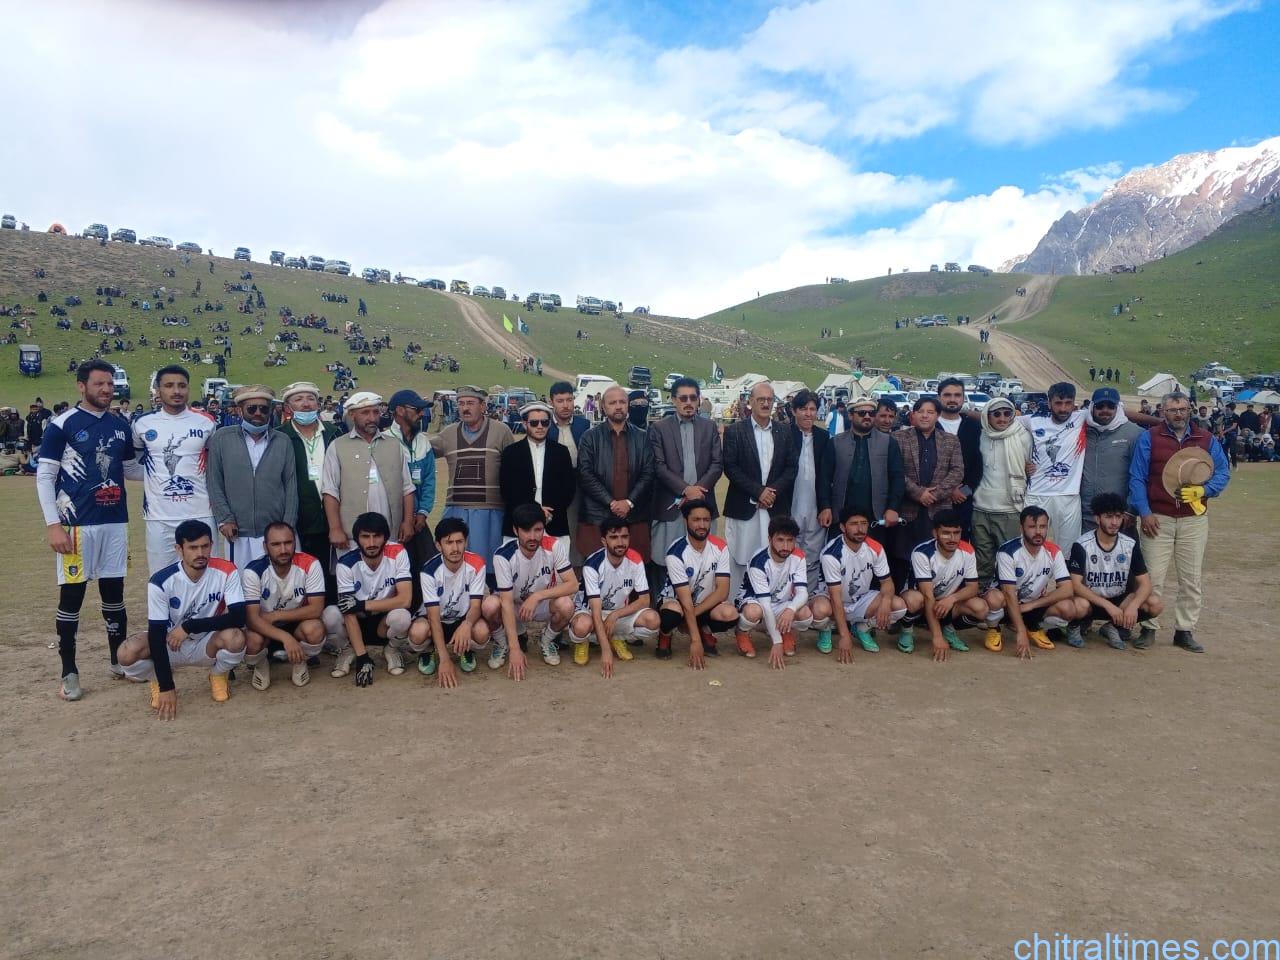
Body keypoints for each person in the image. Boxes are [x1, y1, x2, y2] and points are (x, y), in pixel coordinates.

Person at [36, 359, 134, 701]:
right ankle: (69, 672)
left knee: (114, 596)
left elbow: (131, 469)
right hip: (75, 525)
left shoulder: (121, 425)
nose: (106, 389)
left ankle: (119, 661)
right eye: (99, 384)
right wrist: (53, 525)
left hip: (115, 523)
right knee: (72, 598)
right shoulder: (61, 425)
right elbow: (45, 476)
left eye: (110, 384)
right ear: (82, 386)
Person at [1127, 391, 1230, 652]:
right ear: (1163, 412)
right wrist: (1144, 512)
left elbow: (1222, 472)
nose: (1178, 414)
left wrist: (1205, 490)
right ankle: (1148, 627)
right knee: (1152, 577)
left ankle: (1184, 630)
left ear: (1190, 410)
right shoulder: (1149, 438)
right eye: (1173, 410)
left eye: (1183, 409)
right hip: (1157, 518)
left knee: (1191, 578)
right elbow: (1137, 477)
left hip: (1193, 519)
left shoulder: (1206, 439)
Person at [116, 520, 246, 719]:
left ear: (212, 545)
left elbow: (239, 616)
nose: (200, 553)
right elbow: (157, 635)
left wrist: (189, 626)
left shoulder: (227, 571)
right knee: (126, 652)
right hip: (171, 643)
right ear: (179, 549)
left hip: (206, 642)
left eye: (205, 546)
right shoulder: (160, 581)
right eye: (193, 547)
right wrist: (167, 686)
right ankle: (156, 679)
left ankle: (218, 674)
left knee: (236, 637)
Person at [130, 364, 217, 573]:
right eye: (169, 386)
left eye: (182, 386)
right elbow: (136, 461)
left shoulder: (206, 422)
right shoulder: (142, 424)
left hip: (200, 512)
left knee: (207, 576)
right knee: (162, 576)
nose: (176, 391)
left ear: (188, 388)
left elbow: (214, 462)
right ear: (158, 390)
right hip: (159, 517)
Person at [481, 502, 578, 680]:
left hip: (540, 604)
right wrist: (515, 649)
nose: (532, 537)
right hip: (514, 605)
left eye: (538, 530)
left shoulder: (554, 546)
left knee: (566, 605)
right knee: (489, 606)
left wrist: (538, 596)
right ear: (515, 530)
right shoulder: (503, 555)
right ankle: (502, 644)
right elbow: (506, 603)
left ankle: (546, 640)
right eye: (526, 531)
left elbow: (573, 584)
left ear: (543, 528)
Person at [206, 385, 297, 569]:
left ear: (271, 411)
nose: (258, 413)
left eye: (264, 409)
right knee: (242, 583)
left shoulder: (282, 441)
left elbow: (291, 486)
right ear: (240, 410)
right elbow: (214, 482)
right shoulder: (222, 438)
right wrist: (225, 518)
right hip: (238, 532)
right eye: (252, 408)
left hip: (275, 533)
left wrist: (287, 526)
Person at [322, 512, 415, 686]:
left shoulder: (398, 552)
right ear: (357, 539)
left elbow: (405, 600)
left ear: (385, 537)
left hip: (383, 620)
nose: (371, 543)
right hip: (356, 620)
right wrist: (362, 657)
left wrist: (362, 604)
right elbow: (348, 611)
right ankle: (347, 651)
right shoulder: (345, 563)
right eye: (365, 537)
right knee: (330, 614)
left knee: (403, 616)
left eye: (377, 536)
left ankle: (392, 649)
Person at [648, 376, 722, 591]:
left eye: (693, 398)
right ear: (673, 400)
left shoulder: (709, 427)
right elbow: (658, 466)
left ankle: (699, 607)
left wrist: (696, 491)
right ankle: (664, 606)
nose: (688, 402)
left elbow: (717, 464)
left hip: (703, 504)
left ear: (699, 400)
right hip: (671, 507)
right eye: (683, 398)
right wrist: (685, 489)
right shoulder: (659, 428)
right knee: (666, 560)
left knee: (702, 563)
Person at [722, 381, 797, 590]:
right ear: (751, 402)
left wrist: (772, 493)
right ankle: (737, 603)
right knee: (740, 561)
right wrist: (759, 491)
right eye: (761, 399)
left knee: (771, 560)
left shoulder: (784, 431)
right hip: (744, 507)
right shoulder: (735, 431)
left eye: (769, 400)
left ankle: (768, 602)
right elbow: (730, 467)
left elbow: (792, 467)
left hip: (775, 507)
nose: (765, 403)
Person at [899, 509, 1002, 660]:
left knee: (981, 608)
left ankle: (948, 628)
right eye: (946, 533)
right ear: (935, 533)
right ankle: (907, 630)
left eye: (956, 533)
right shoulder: (922, 553)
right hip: (921, 605)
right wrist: (937, 637)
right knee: (914, 599)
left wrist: (951, 599)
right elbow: (927, 596)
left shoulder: (967, 551)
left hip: (946, 604)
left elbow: (973, 587)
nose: (952, 538)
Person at [322, 391, 416, 556]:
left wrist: (408, 522)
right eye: (365, 413)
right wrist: (335, 528)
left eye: (375, 412)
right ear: (352, 415)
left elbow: (407, 488)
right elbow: (330, 492)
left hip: (390, 534)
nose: (372, 418)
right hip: (351, 538)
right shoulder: (337, 447)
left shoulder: (394, 445)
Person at [430, 385, 514, 567]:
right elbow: (423, 451)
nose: (465, 408)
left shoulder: (501, 431)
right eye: (461, 404)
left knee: (489, 565)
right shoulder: (448, 433)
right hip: (456, 509)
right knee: (454, 564)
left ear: (483, 406)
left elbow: (515, 468)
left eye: (470, 403)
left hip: (491, 512)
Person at [1066, 493, 1163, 650]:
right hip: (1091, 601)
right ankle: (1075, 625)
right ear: (1097, 519)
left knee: (1155, 604)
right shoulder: (1082, 545)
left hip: (1119, 601)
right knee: (1079, 605)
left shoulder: (1130, 545)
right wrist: (1106, 605)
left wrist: (1133, 606)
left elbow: (1145, 583)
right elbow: (1075, 585)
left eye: (1118, 517)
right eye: (1109, 517)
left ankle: (1113, 627)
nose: (1114, 522)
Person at [566, 516, 660, 676]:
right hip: (590, 613)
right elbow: (596, 610)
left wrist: (615, 615)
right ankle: (583, 641)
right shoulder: (592, 564)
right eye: (614, 537)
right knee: (581, 626)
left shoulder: (636, 560)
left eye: (624, 536)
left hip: (618, 613)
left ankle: (617, 637)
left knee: (653, 620)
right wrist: (606, 651)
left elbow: (645, 600)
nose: (620, 542)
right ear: (604, 541)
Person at [809, 505, 906, 660]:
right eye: (854, 524)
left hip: (861, 599)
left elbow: (887, 582)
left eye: (864, 523)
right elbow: (835, 596)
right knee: (819, 609)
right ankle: (826, 628)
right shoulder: (831, 554)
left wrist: (886, 601)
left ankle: (862, 628)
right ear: (842, 527)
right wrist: (844, 636)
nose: (860, 529)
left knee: (898, 606)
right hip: (831, 601)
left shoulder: (876, 548)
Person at [240, 521, 327, 689]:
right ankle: (261, 664)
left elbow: (317, 609)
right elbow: (251, 619)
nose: (283, 550)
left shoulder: (310, 563)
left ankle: (300, 660)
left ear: (295, 542)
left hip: (296, 624)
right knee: (251, 640)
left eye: (288, 543)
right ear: (265, 547)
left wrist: (276, 615)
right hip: (265, 628)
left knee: (315, 630)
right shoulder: (253, 571)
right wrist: (285, 637)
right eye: (276, 544)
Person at [407, 518, 490, 687]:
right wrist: (444, 659)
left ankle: (465, 649)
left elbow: (476, 606)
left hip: (462, 618)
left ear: (466, 542)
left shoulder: (477, 563)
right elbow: (433, 617)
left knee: (482, 632)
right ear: (438, 546)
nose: (455, 548)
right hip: (436, 621)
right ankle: (429, 650)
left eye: (459, 542)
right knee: (417, 632)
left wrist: (467, 624)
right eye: (449, 542)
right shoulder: (429, 571)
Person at [993, 506, 1084, 658]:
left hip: (1031, 605)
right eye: (1032, 527)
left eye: (1042, 526)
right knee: (994, 598)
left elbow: (1067, 589)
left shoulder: (1054, 551)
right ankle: (994, 628)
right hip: (1007, 606)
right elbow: (1008, 593)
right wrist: (1021, 632)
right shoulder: (1007, 551)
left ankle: (1033, 627)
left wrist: (1032, 605)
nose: (1038, 532)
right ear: (1021, 528)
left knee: (1069, 608)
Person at [656, 498, 738, 667]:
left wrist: (689, 618)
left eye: (706, 520)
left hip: (702, 604)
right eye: (696, 520)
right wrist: (695, 641)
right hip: (677, 603)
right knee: (671, 615)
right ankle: (665, 634)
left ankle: (704, 629)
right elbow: (685, 601)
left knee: (730, 614)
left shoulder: (721, 547)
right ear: (685, 521)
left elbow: (722, 591)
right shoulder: (675, 553)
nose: (702, 525)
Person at [577, 385, 655, 560]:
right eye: (612, 403)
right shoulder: (590, 437)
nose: (618, 406)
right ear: (603, 407)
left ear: (628, 405)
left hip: (634, 515)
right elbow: (585, 474)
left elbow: (648, 473)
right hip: (597, 516)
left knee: (634, 567)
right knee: (597, 568)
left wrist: (629, 502)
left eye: (622, 402)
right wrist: (611, 503)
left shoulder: (642, 437)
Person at [277, 381, 341, 596]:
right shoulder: (280, 436)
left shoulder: (333, 433)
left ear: (318, 404)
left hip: (334, 517)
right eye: (299, 399)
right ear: (288, 407)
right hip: (299, 518)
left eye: (311, 399)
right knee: (303, 574)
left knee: (334, 574)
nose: (306, 404)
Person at [892, 397, 964, 589]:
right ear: (913, 415)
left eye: (930, 412)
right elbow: (895, 471)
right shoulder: (898, 438)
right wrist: (918, 493)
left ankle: (928, 598)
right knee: (902, 559)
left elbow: (957, 472)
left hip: (938, 509)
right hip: (907, 509)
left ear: (937, 416)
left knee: (932, 558)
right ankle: (901, 599)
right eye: (921, 411)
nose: (925, 416)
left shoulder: (950, 440)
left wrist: (934, 494)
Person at [817, 396, 904, 545]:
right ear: (851, 415)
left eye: (871, 413)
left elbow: (897, 478)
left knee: (875, 555)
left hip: (877, 515)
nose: (867, 416)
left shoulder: (889, 442)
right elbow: (824, 478)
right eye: (862, 413)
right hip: (842, 514)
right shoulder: (836, 442)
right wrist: (825, 507)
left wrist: (893, 508)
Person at [733, 515, 814, 667]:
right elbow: (765, 605)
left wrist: (790, 609)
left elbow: (803, 593)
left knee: (805, 615)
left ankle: (785, 630)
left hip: (781, 603)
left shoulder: (798, 556)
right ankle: (742, 632)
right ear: (770, 539)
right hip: (756, 602)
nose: (786, 546)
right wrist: (776, 642)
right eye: (780, 540)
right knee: (753, 612)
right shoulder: (759, 561)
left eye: (790, 540)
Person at [1019, 381, 1089, 549]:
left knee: (1068, 550)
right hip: (1037, 493)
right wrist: (1022, 463)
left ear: (1074, 403)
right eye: (1058, 403)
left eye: (1068, 403)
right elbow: (998, 422)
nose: (1063, 408)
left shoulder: (1081, 418)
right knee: (1029, 546)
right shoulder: (1033, 420)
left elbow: (1120, 415)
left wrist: (1153, 420)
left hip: (1068, 495)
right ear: (1049, 403)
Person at [971, 398, 1033, 585]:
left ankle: (1009, 598)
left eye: (1007, 413)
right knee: (982, 561)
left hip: (1010, 509)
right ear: (987, 416)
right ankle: (981, 595)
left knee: (1010, 560)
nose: (1002, 418)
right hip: (980, 508)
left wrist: (1030, 469)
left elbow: (1032, 466)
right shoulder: (980, 435)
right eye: (996, 414)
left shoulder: (1023, 436)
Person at [384, 388, 437, 603]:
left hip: (419, 520)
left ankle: (425, 610)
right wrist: (404, 518)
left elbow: (429, 480)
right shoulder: (384, 441)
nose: (421, 414)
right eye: (417, 409)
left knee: (429, 564)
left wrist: (423, 512)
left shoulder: (423, 441)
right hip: (393, 520)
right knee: (397, 568)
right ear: (399, 411)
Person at [499, 401, 575, 545]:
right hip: (519, 525)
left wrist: (549, 512)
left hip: (555, 524)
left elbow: (568, 489)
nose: (540, 427)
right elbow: (507, 490)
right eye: (534, 423)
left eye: (544, 422)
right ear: (524, 424)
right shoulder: (511, 453)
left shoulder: (561, 452)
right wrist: (535, 510)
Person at [1079, 387, 1144, 531]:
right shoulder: (1080, 430)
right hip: (1085, 516)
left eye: (1110, 406)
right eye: (1100, 406)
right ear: (1092, 407)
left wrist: (1130, 510)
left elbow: (1140, 475)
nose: (1105, 410)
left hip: (1119, 516)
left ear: (1118, 408)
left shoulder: (1134, 434)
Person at [786, 389, 830, 593]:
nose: (808, 414)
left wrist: (825, 506)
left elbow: (826, 475)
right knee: (789, 547)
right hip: (791, 501)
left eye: (812, 409)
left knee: (812, 551)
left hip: (815, 503)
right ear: (794, 411)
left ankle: (809, 595)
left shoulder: (823, 436)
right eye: (804, 409)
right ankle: (787, 596)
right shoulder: (785, 434)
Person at [547, 380, 592, 563]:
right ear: (551, 402)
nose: (566, 405)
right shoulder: (544, 426)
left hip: (581, 485)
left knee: (576, 530)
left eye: (569, 400)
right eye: (560, 401)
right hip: (552, 488)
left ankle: (577, 570)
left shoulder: (584, 425)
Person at [935, 378, 983, 537]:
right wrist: (947, 491)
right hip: (934, 500)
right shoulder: (930, 426)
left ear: (963, 398)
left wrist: (964, 491)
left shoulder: (973, 427)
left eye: (957, 395)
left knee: (960, 544)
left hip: (963, 500)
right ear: (939, 397)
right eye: (947, 395)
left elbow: (977, 465)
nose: (952, 399)